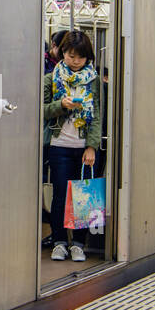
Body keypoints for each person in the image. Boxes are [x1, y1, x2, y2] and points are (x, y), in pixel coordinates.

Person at [42, 30, 101, 262]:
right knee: (59, 196)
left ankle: (78, 243)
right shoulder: (51, 78)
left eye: (80, 57)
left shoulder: (94, 81)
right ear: (62, 53)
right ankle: (58, 241)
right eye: (70, 55)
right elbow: (43, 110)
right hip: (59, 145)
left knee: (84, 197)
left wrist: (92, 146)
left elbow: (97, 116)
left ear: (88, 57)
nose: (75, 61)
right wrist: (62, 105)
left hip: (84, 147)